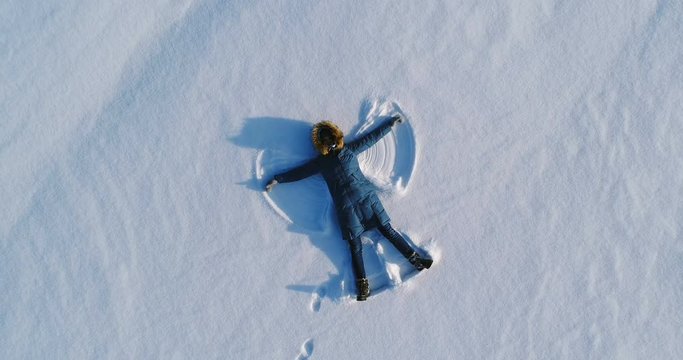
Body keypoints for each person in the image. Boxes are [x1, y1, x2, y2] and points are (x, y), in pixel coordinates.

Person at [266, 116, 432, 301]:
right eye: (326, 142)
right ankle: (362, 286)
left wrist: (389, 125)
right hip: (347, 208)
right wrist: (278, 179)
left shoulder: (349, 150)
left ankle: (416, 260)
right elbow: (300, 172)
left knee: (387, 231)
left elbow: (371, 138)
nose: (331, 145)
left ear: (337, 137)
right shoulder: (322, 163)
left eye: (332, 140)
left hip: (366, 200)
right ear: (321, 145)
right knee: (356, 246)